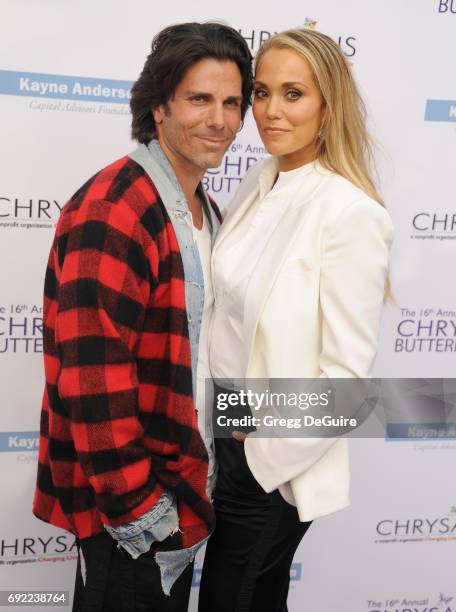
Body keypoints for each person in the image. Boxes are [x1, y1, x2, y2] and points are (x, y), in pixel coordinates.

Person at [33, 22, 253, 612]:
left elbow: (206, 356)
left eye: (232, 102)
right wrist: (142, 513)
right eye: (200, 99)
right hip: (132, 515)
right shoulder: (116, 207)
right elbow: (92, 378)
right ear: (158, 107)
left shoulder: (205, 209)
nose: (220, 120)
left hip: (182, 496)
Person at [198, 27, 393, 612]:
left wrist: (262, 455)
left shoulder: (348, 213)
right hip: (228, 438)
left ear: (327, 106)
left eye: (293, 94)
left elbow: (347, 385)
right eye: (261, 92)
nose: (270, 111)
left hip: (276, 466)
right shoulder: (261, 182)